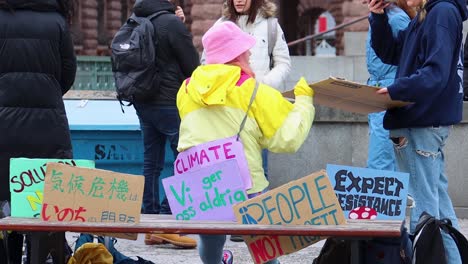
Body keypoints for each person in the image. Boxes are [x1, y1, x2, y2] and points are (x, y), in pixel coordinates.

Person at [177, 21, 315, 264]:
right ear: (235, 55)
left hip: (201, 184)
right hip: (245, 183)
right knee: (263, 243)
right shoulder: (253, 91)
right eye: (245, 49)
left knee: (210, 240)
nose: (250, 53)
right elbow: (287, 139)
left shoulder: (186, 89)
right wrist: (304, 101)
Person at [368, 0, 467, 263]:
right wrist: (378, 17)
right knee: (438, 209)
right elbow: (393, 52)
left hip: (421, 121)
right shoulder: (432, 13)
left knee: (424, 212)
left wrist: (396, 91)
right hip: (424, 121)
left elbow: (436, 73)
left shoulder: (441, 12)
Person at [207, 0, 291, 242]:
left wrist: (262, 85)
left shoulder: (271, 26)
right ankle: (234, 220)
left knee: (256, 163)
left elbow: (283, 63)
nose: (239, 0)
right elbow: (206, 62)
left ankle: (253, 220)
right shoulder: (221, 24)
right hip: (226, 105)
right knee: (227, 161)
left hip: (255, 101)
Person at [0, 0, 76, 262]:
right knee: (41, 203)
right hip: (48, 126)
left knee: (3, 200)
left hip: (3, 126)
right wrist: (47, 93)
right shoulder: (56, 22)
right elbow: (68, 73)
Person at [131, 0, 199, 248]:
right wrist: (179, 26)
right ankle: (169, 221)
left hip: (142, 101)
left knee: (152, 163)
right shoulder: (171, 23)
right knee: (185, 160)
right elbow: (192, 65)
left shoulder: (135, 20)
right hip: (170, 101)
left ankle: (151, 225)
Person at [363, 0, 414, 172]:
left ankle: (381, 198)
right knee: (383, 157)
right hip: (382, 88)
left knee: (381, 160)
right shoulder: (384, 16)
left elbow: (409, 59)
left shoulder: (396, 18)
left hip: (389, 91)